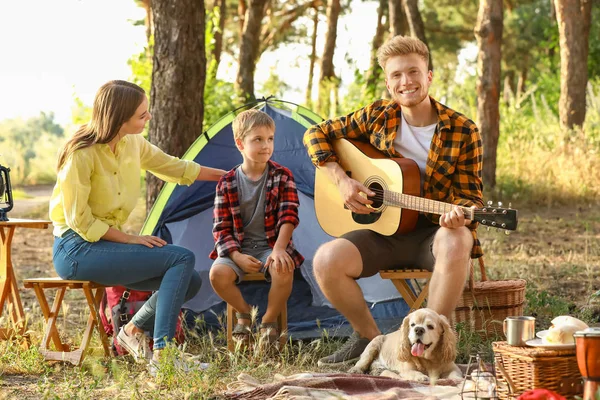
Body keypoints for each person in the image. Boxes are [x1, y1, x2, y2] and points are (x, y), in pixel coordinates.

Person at [303, 35, 484, 366]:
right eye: (397, 75)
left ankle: (435, 346)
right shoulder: (377, 115)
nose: (407, 82)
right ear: (388, 83)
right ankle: (370, 342)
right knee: (326, 261)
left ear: (429, 75)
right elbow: (316, 133)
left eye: (414, 72)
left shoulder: (462, 129)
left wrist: (462, 214)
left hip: (432, 235)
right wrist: (341, 180)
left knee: (459, 238)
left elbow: (471, 196)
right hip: (382, 233)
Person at [50, 80, 227, 372]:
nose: (149, 118)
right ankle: (163, 356)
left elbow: (176, 168)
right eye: (142, 115)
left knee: (190, 280)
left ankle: (132, 331)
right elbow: (79, 221)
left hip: (106, 246)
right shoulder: (81, 154)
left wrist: (230, 176)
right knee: (181, 257)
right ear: (120, 118)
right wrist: (130, 239)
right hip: (75, 249)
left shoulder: (133, 144)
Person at [208, 109, 303, 346]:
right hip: (237, 249)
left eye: (270, 139)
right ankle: (244, 313)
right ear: (240, 143)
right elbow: (221, 228)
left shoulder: (282, 175)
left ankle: (269, 321)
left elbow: (289, 216)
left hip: (271, 246)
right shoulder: (227, 181)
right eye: (257, 139)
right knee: (217, 274)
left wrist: (279, 249)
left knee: (283, 268)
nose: (266, 145)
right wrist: (236, 256)